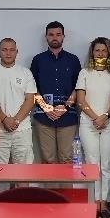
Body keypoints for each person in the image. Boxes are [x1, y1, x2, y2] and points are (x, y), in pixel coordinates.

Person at [75, 37, 110, 218]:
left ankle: (104, 202)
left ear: (109, 53)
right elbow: (80, 100)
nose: (100, 53)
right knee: (92, 163)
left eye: (104, 50)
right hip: (88, 123)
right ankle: (94, 200)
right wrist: (95, 118)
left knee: (107, 164)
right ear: (92, 53)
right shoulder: (84, 72)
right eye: (97, 50)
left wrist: (105, 116)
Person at [30, 21, 81, 164]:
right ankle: (50, 183)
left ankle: (65, 182)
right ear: (46, 37)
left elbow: (78, 88)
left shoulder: (73, 60)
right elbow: (32, 88)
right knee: (48, 161)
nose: (55, 37)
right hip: (43, 117)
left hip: (68, 116)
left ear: (63, 36)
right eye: (51, 34)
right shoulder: (38, 60)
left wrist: (65, 107)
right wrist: (45, 107)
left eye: (58, 34)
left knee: (67, 160)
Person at [0, 38, 37, 164]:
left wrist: (16, 121)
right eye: (4, 50)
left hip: (22, 129)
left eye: (11, 50)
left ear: (17, 52)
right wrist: (4, 119)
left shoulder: (26, 72)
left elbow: (30, 99)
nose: (8, 53)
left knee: (24, 170)